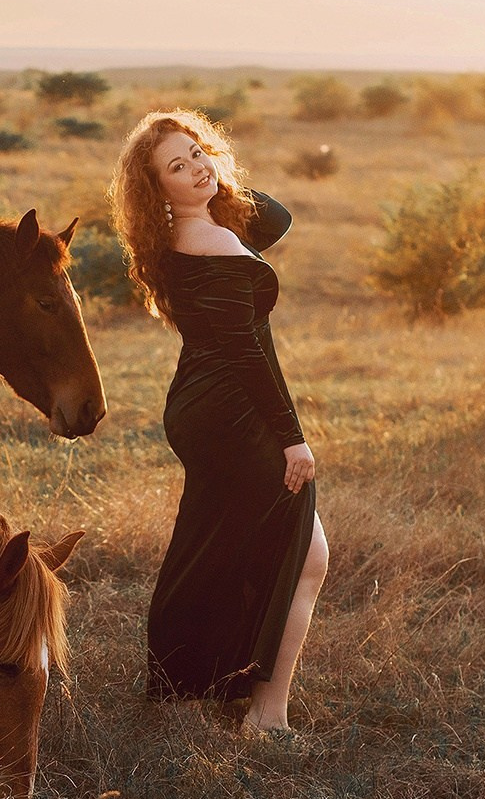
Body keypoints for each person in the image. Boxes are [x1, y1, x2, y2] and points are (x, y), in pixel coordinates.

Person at [111, 110, 328, 732]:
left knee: (224, 544)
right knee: (304, 555)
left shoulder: (189, 236)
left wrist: (210, 176)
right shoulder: (210, 243)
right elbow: (248, 354)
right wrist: (293, 439)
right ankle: (267, 713)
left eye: (198, 153)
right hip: (233, 410)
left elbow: (275, 216)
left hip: (204, 406)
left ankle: (201, 680)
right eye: (175, 168)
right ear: (157, 192)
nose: (196, 168)